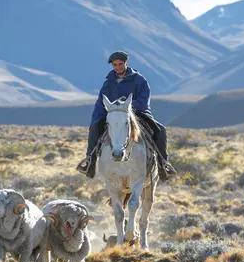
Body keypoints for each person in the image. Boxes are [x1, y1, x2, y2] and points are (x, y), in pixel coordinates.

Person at [76, 51, 177, 182]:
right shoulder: (108, 82)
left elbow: (143, 100)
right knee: (94, 128)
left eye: (120, 64)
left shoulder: (139, 80)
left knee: (160, 130)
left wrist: (126, 108)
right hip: (113, 115)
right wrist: (97, 119)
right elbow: (100, 103)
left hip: (137, 114)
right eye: (115, 65)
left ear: (126, 63)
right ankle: (89, 162)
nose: (118, 67)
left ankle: (163, 164)